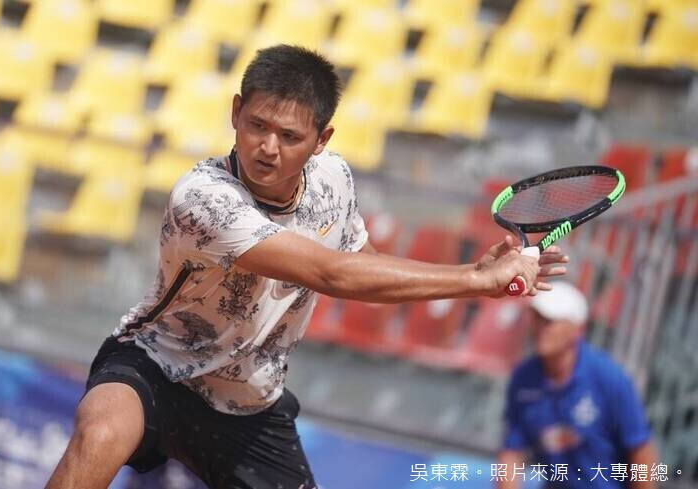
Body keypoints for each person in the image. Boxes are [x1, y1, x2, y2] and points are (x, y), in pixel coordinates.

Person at [46, 44, 567, 489]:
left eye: (290, 137)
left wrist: (472, 273)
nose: (267, 148)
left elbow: (361, 267)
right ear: (235, 112)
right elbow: (329, 274)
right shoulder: (202, 198)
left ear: (322, 139)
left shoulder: (333, 181)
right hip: (155, 366)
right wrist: (475, 281)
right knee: (101, 432)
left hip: (251, 402)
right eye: (257, 126)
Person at [496, 281, 659, 489]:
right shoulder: (523, 379)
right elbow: (511, 451)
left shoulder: (608, 378)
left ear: (577, 329)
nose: (540, 328)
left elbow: (640, 450)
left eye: (550, 321)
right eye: (537, 319)